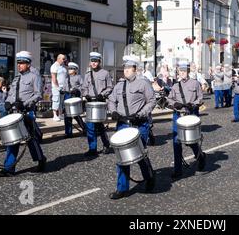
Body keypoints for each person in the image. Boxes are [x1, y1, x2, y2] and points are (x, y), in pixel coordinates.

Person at [107, 55, 156, 200]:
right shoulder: (119, 85)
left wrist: (141, 114)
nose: (125, 70)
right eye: (125, 68)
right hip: (123, 123)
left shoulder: (143, 83)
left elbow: (152, 101)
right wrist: (113, 111)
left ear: (135, 69)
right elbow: (111, 100)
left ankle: (149, 178)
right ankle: (122, 188)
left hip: (139, 124)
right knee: (121, 157)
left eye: (128, 68)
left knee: (139, 155)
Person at [0, 51, 46, 177]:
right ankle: (9, 168)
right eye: (18, 63)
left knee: (30, 139)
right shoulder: (16, 78)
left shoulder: (35, 77)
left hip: (27, 112)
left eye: (22, 63)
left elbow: (38, 94)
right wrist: (8, 102)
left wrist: (25, 103)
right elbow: (11, 94)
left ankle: (41, 160)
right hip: (14, 112)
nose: (19, 65)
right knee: (12, 140)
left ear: (28, 64)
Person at [167, 60, 206, 179]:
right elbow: (169, 100)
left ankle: (200, 156)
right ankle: (178, 170)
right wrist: (175, 104)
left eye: (184, 71)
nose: (182, 73)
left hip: (191, 114)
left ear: (188, 71)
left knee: (191, 141)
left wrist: (193, 104)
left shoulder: (195, 83)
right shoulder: (174, 86)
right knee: (176, 142)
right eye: (180, 71)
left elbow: (200, 98)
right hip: (178, 115)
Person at [82, 52, 113, 156]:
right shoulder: (87, 75)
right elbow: (84, 88)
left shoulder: (105, 73)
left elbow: (110, 87)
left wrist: (102, 95)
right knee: (90, 126)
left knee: (99, 125)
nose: (94, 63)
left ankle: (106, 144)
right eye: (92, 61)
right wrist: (86, 94)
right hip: (90, 103)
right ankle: (92, 149)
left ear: (99, 61)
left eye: (96, 61)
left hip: (100, 102)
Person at [62, 62, 87, 138]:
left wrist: (77, 90)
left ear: (75, 70)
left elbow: (83, 87)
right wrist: (62, 91)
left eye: (71, 68)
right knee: (67, 116)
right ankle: (68, 133)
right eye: (69, 68)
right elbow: (64, 88)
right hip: (67, 96)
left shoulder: (78, 77)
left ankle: (85, 128)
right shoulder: (66, 79)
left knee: (76, 115)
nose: (69, 70)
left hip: (74, 97)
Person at [50, 54, 67, 121]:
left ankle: (60, 114)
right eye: (63, 59)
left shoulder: (63, 67)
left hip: (63, 87)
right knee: (56, 100)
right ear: (58, 58)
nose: (64, 60)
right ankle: (54, 115)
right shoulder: (54, 66)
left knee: (61, 101)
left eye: (64, 59)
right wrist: (57, 87)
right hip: (56, 87)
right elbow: (54, 78)